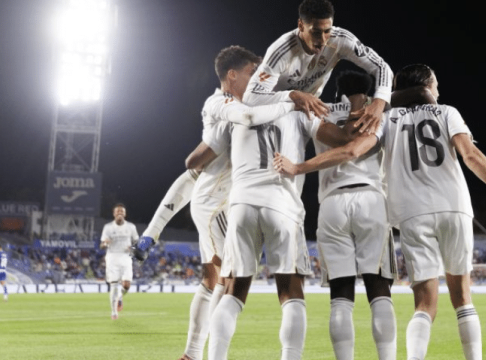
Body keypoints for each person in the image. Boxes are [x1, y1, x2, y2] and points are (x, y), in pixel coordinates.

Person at [274, 64, 486, 360]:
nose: (438, 90)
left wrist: (299, 167)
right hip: (451, 206)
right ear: (426, 86)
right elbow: (471, 155)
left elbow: (351, 149)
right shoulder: (446, 112)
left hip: (407, 212)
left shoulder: (386, 119)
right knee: (461, 298)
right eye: (435, 84)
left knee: (421, 304)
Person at [133, 46, 295, 360]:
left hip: (227, 203)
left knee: (215, 280)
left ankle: (193, 354)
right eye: (251, 72)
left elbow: (192, 172)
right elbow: (192, 171)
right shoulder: (222, 106)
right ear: (232, 75)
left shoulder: (250, 108)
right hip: (217, 204)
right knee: (228, 280)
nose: (258, 78)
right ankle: (202, 355)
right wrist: (292, 100)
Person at [207, 99, 353, 360]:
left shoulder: (239, 112)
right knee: (291, 294)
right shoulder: (297, 111)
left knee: (232, 293)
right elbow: (343, 139)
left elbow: (199, 158)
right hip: (282, 203)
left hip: (241, 204)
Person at [309, 70, 397, 360]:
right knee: (379, 289)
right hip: (371, 199)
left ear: (338, 90)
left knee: (340, 296)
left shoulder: (320, 112)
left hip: (332, 202)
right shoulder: (378, 115)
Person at [242, 0, 394, 135]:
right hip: (275, 115)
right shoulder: (281, 52)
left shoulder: (341, 40)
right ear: (301, 25)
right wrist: (294, 95)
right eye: (315, 32)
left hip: (308, 112)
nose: (322, 40)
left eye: (327, 31)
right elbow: (251, 97)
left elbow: (382, 67)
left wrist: (379, 102)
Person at [100, 203, 139, 320]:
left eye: (122, 211)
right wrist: (105, 243)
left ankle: (120, 296)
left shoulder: (131, 227)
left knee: (126, 285)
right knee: (114, 285)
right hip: (112, 257)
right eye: (118, 211)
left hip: (126, 257)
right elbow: (101, 245)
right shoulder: (108, 227)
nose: (120, 213)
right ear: (114, 214)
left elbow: (137, 243)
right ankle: (114, 312)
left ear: (125, 214)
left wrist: (132, 248)